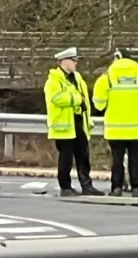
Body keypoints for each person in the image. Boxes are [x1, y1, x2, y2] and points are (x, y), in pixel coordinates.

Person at [92, 48, 138, 197]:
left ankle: (116, 188)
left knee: (117, 159)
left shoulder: (107, 78)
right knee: (135, 159)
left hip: (115, 129)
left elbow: (99, 103)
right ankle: (137, 188)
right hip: (136, 128)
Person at [43, 47, 105, 197]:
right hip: (63, 126)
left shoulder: (77, 78)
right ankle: (65, 187)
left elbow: (84, 98)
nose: (76, 63)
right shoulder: (54, 80)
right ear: (64, 61)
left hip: (78, 123)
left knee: (83, 155)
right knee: (66, 158)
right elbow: (57, 98)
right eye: (73, 60)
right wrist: (77, 100)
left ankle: (86, 185)